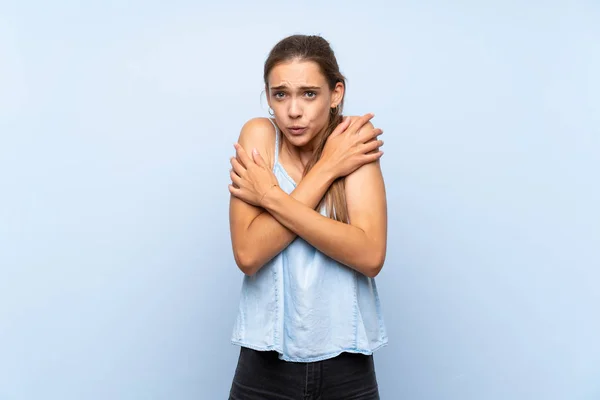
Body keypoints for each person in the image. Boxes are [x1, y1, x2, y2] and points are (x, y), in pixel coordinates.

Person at [227, 34, 388, 400]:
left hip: (347, 362)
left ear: (336, 94)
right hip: (262, 363)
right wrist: (328, 169)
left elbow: (370, 256)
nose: (293, 111)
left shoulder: (353, 140)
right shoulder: (259, 135)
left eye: (309, 94)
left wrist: (270, 197)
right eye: (280, 94)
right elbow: (249, 255)